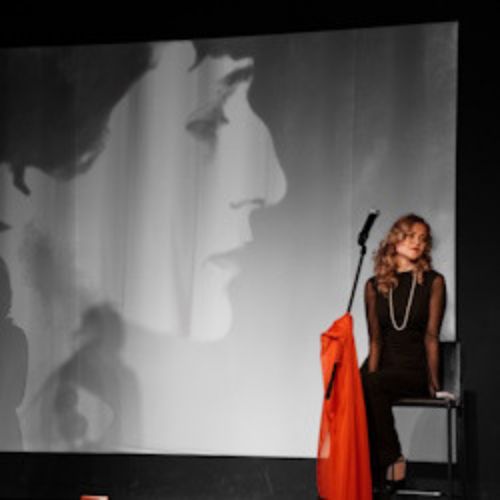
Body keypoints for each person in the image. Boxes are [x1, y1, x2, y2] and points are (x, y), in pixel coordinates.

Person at [361, 213, 447, 492]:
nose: (417, 243)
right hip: (383, 368)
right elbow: (375, 340)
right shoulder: (374, 286)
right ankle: (361, 477)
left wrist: (434, 383)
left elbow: (431, 337)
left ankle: (390, 460)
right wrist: (369, 378)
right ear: (395, 240)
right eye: (411, 236)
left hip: (413, 369)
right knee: (352, 388)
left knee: (371, 384)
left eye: (423, 239)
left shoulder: (433, 282)